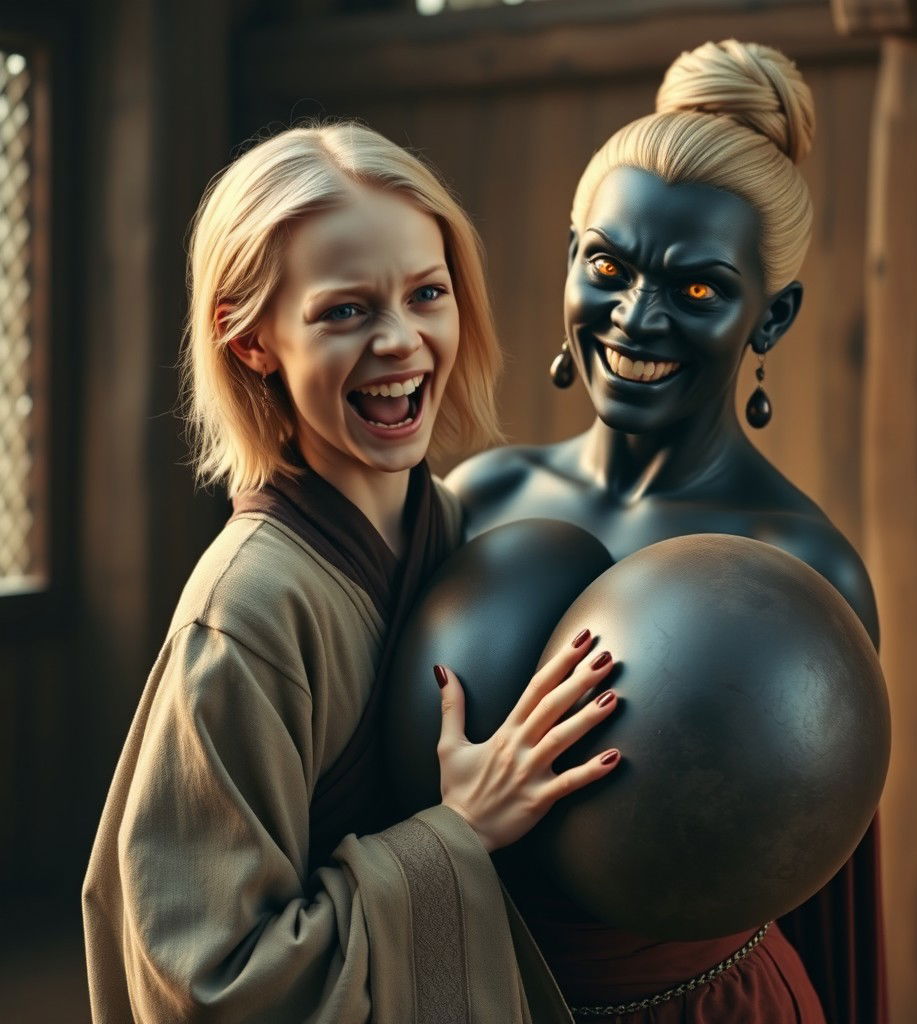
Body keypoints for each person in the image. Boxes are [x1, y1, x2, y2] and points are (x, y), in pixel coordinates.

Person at [81, 121, 624, 1023]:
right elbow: (209, 984)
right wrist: (456, 835)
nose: (402, 342)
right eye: (346, 311)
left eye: (427, 294)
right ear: (251, 340)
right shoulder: (247, 615)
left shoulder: (449, 530)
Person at [448, 40, 884, 1024]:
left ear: (769, 319)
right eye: (607, 267)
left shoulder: (805, 572)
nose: (635, 317)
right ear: (569, 264)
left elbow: (819, 880)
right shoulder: (470, 498)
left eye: (696, 291)